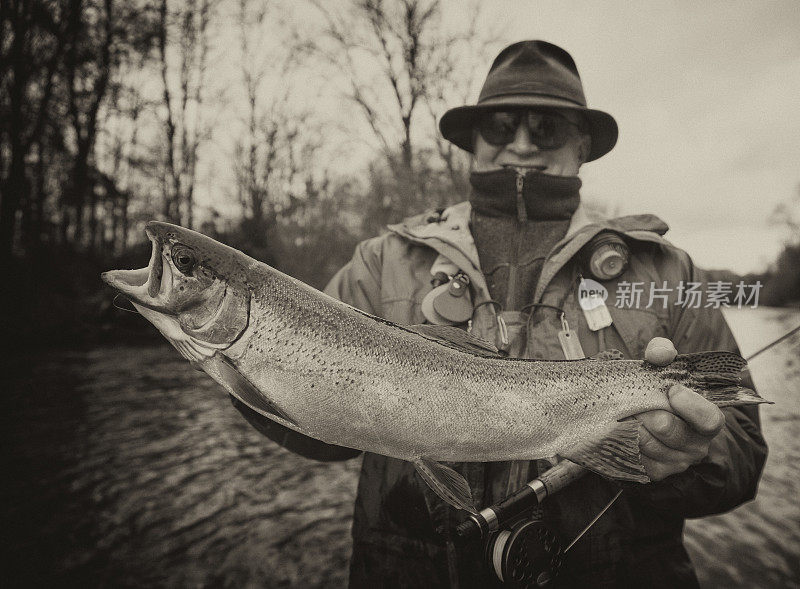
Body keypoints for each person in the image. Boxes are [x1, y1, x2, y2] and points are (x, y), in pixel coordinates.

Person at [232, 40, 767, 588]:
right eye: (502, 126)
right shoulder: (381, 262)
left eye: (547, 129)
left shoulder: (667, 272)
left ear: (582, 144)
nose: (522, 144)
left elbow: (743, 454)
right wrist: (245, 361)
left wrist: (686, 457)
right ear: (473, 142)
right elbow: (316, 435)